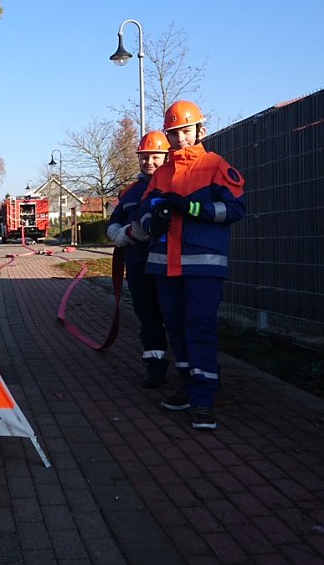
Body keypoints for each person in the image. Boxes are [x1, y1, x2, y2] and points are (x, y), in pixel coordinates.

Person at [136, 100, 246, 431]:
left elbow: (236, 210)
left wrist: (192, 208)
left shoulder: (215, 166)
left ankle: (203, 400)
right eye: (173, 134)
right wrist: (151, 221)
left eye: (184, 131)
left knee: (200, 328)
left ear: (200, 130)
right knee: (177, 328)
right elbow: (141, 213)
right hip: (164, 267)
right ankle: (188, 384)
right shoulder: (162, 173)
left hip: (201, 266)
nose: (179, 139)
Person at [107, 131, 171, 388]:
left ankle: (191, 369)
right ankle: (155, 365)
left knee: (175, 316)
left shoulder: (176, 184)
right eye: (144, 158)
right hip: (138, 265)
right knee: (147, 315)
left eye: (155, 157)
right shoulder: (130, 193)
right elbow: (114, 224)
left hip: (170, 265)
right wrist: (122, 235)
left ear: (166, 156)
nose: (149, 162)